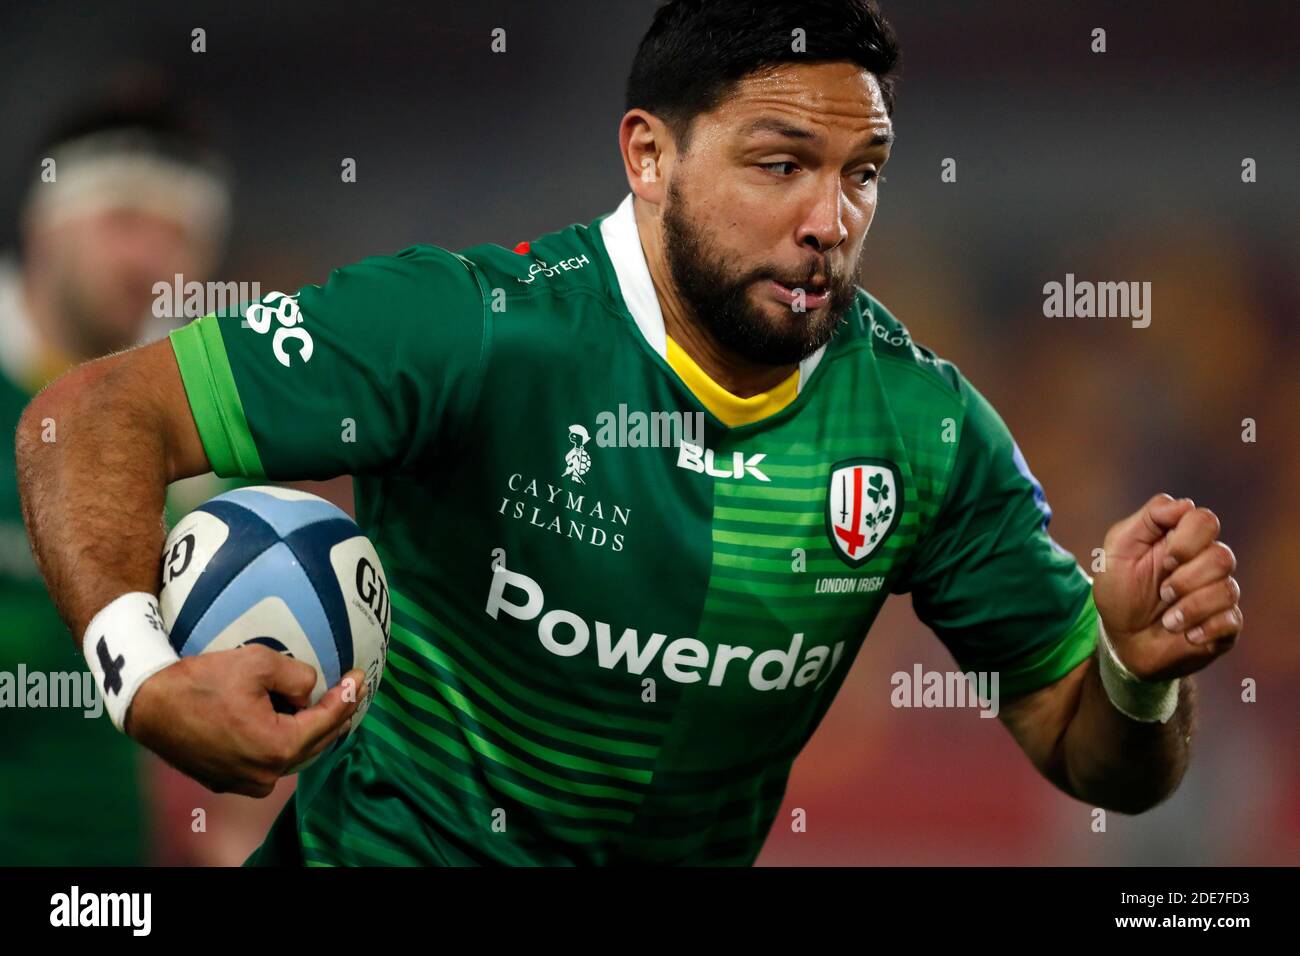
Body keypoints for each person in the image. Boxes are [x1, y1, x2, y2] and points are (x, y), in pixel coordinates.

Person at [15, 0, 1242, 866]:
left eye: (863, 172)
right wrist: (146, 674)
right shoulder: (472, 329)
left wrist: (1136, 676)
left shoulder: (926, 430)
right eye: (780, 164)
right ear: (647, 155)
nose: (830, 218)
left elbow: (1091, 753)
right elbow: (90, 414)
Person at [0, 91, 231, 863]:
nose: (150, 261)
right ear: (42, 224)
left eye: (180, 232)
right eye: (122, 221)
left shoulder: (201, 435)